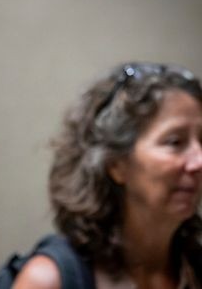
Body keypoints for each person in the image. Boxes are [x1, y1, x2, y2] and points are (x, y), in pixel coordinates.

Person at [11, 62, 202, 288]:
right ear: (115, 164)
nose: (198, 161)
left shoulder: (192, 269)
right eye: (175, 142)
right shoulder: (52, 279)